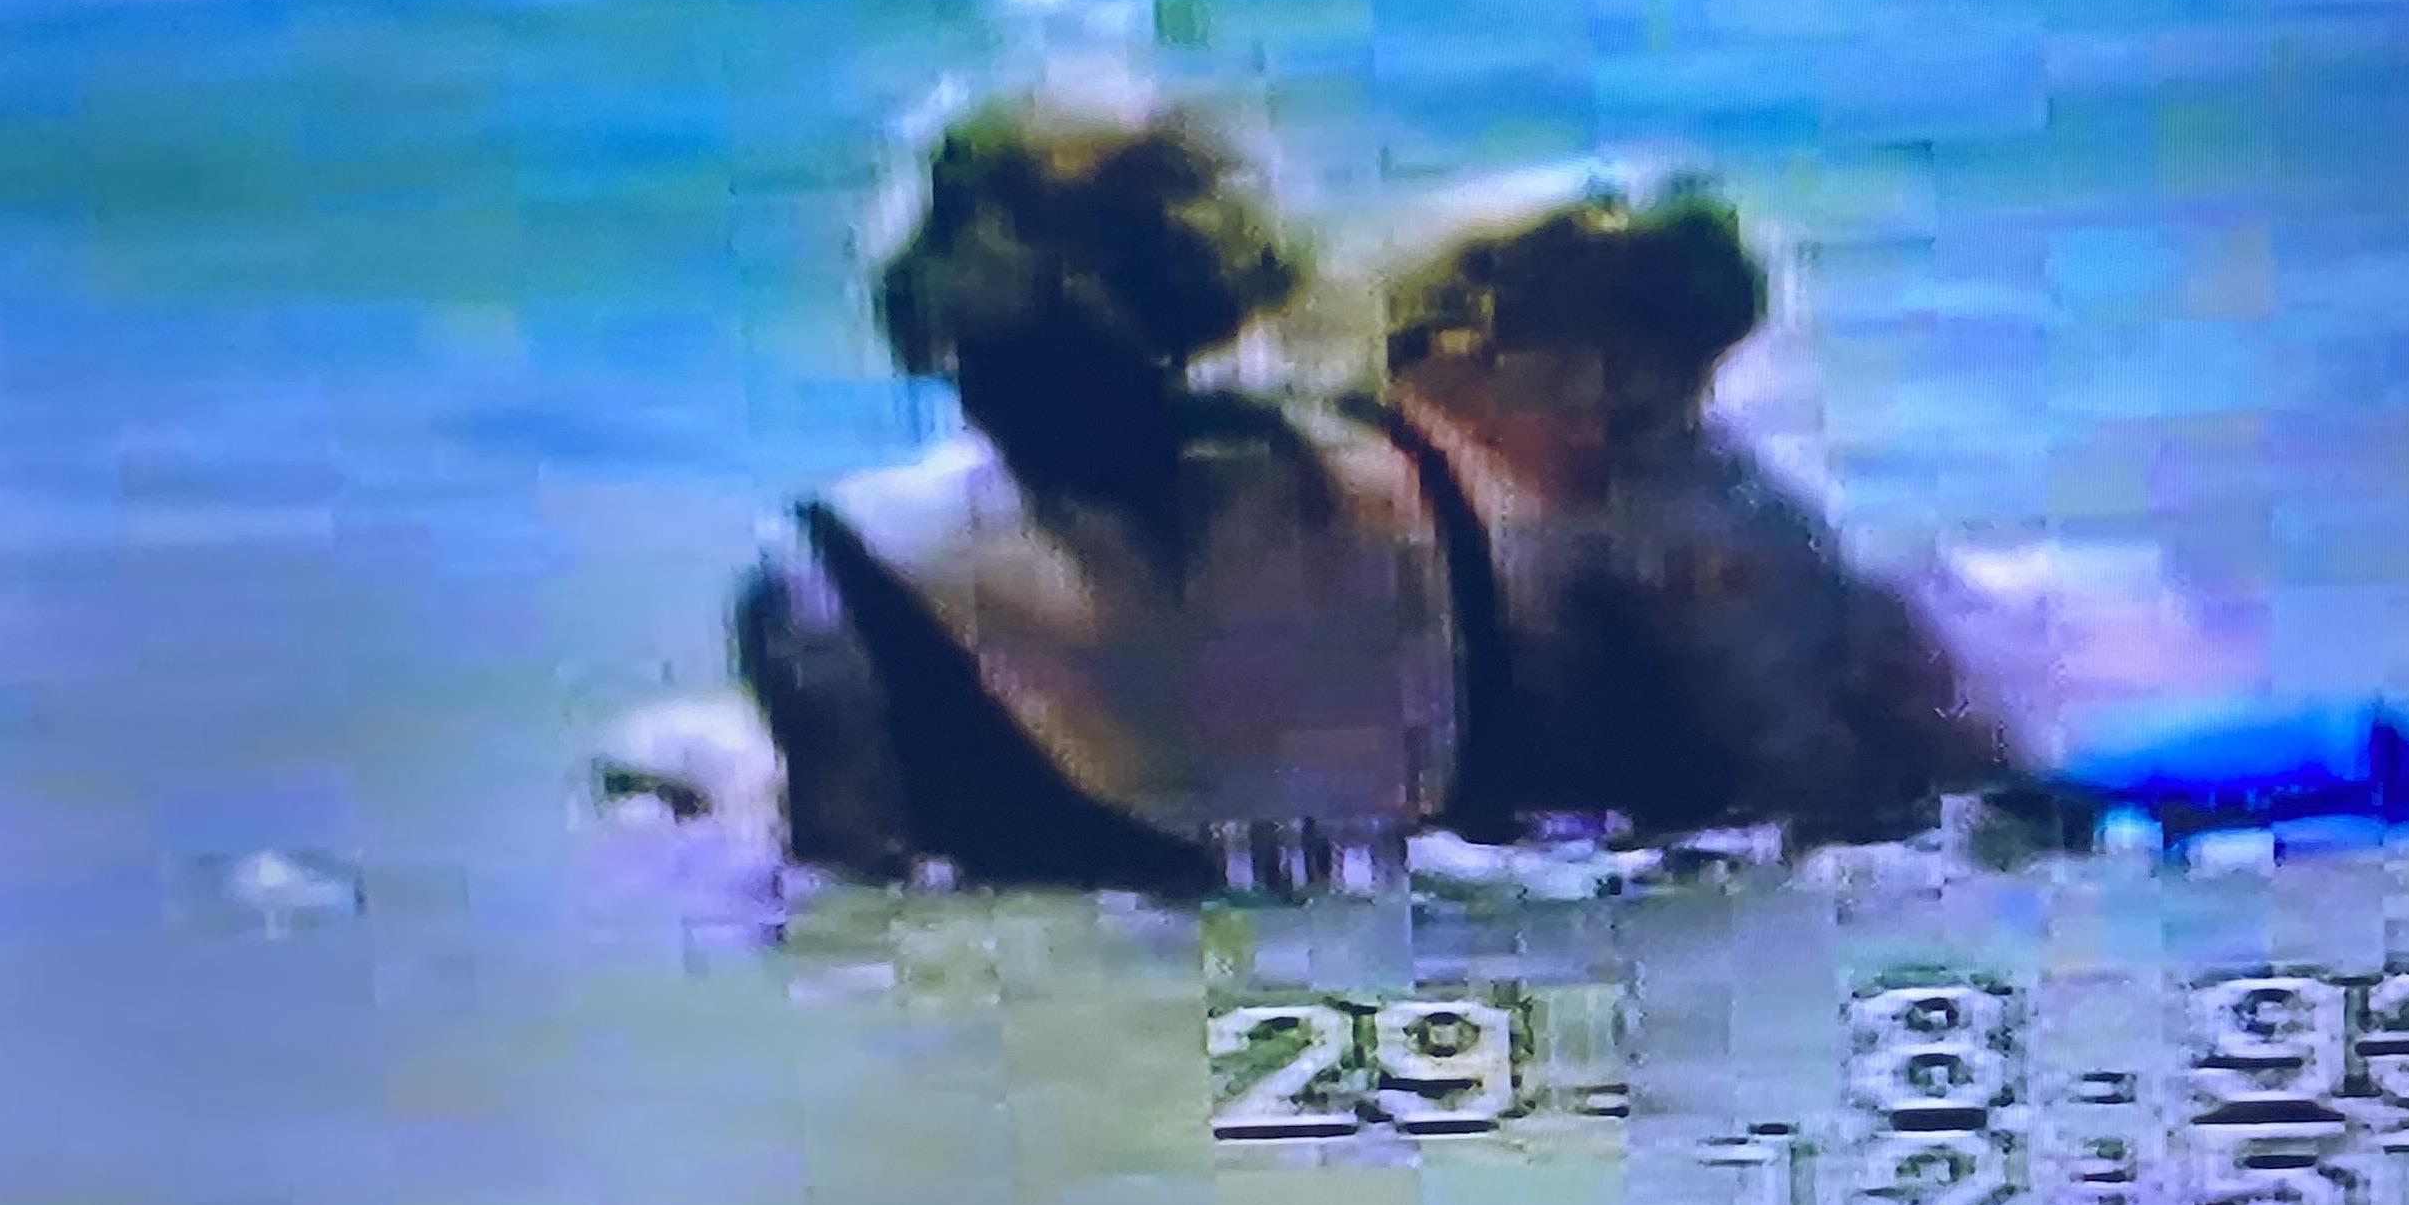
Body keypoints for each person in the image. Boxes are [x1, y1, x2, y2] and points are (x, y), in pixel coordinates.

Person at [713, 91, 1483, 894]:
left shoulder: (839, 571)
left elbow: (852, 904)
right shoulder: (1418, 499)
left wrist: (732, 804)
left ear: (929, 303)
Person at [1366, 163, 2027, 846]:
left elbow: (1839, 768)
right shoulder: (1396, 500)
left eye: (1648, 387)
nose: (1600, 402)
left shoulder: (1719, 527)